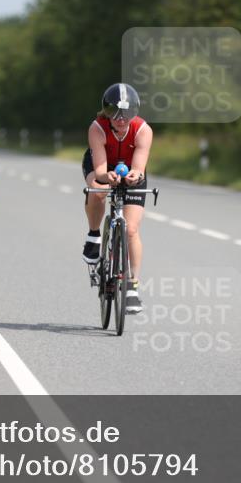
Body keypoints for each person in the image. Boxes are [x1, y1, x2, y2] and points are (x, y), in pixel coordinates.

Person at [81, 83, 153, 314]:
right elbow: (100, 167)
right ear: (107, 111)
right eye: (115, 113)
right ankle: (94, 235)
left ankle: (132, 285)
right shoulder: (97, 128)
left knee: (131, 229)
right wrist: (104, 177)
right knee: (98, 189)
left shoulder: (143, 130)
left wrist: (135, 175)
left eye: (127, 114)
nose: (121, 119)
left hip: (130, 169)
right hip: (102, 165)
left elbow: (139, 166)